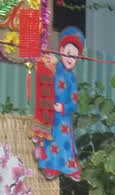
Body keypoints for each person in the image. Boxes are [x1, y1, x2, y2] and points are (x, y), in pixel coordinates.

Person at [34, 27, 83, 180]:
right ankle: (50, 167)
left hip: (63, 120)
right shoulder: (54, 66)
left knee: (64, 144)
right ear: (61, 49)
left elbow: (73, 103)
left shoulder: (73, 80)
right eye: (68, 53)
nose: (70, 58)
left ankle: (69, 168)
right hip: (49, 113)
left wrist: (63, 107)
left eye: (74, 56)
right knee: (49, 142)